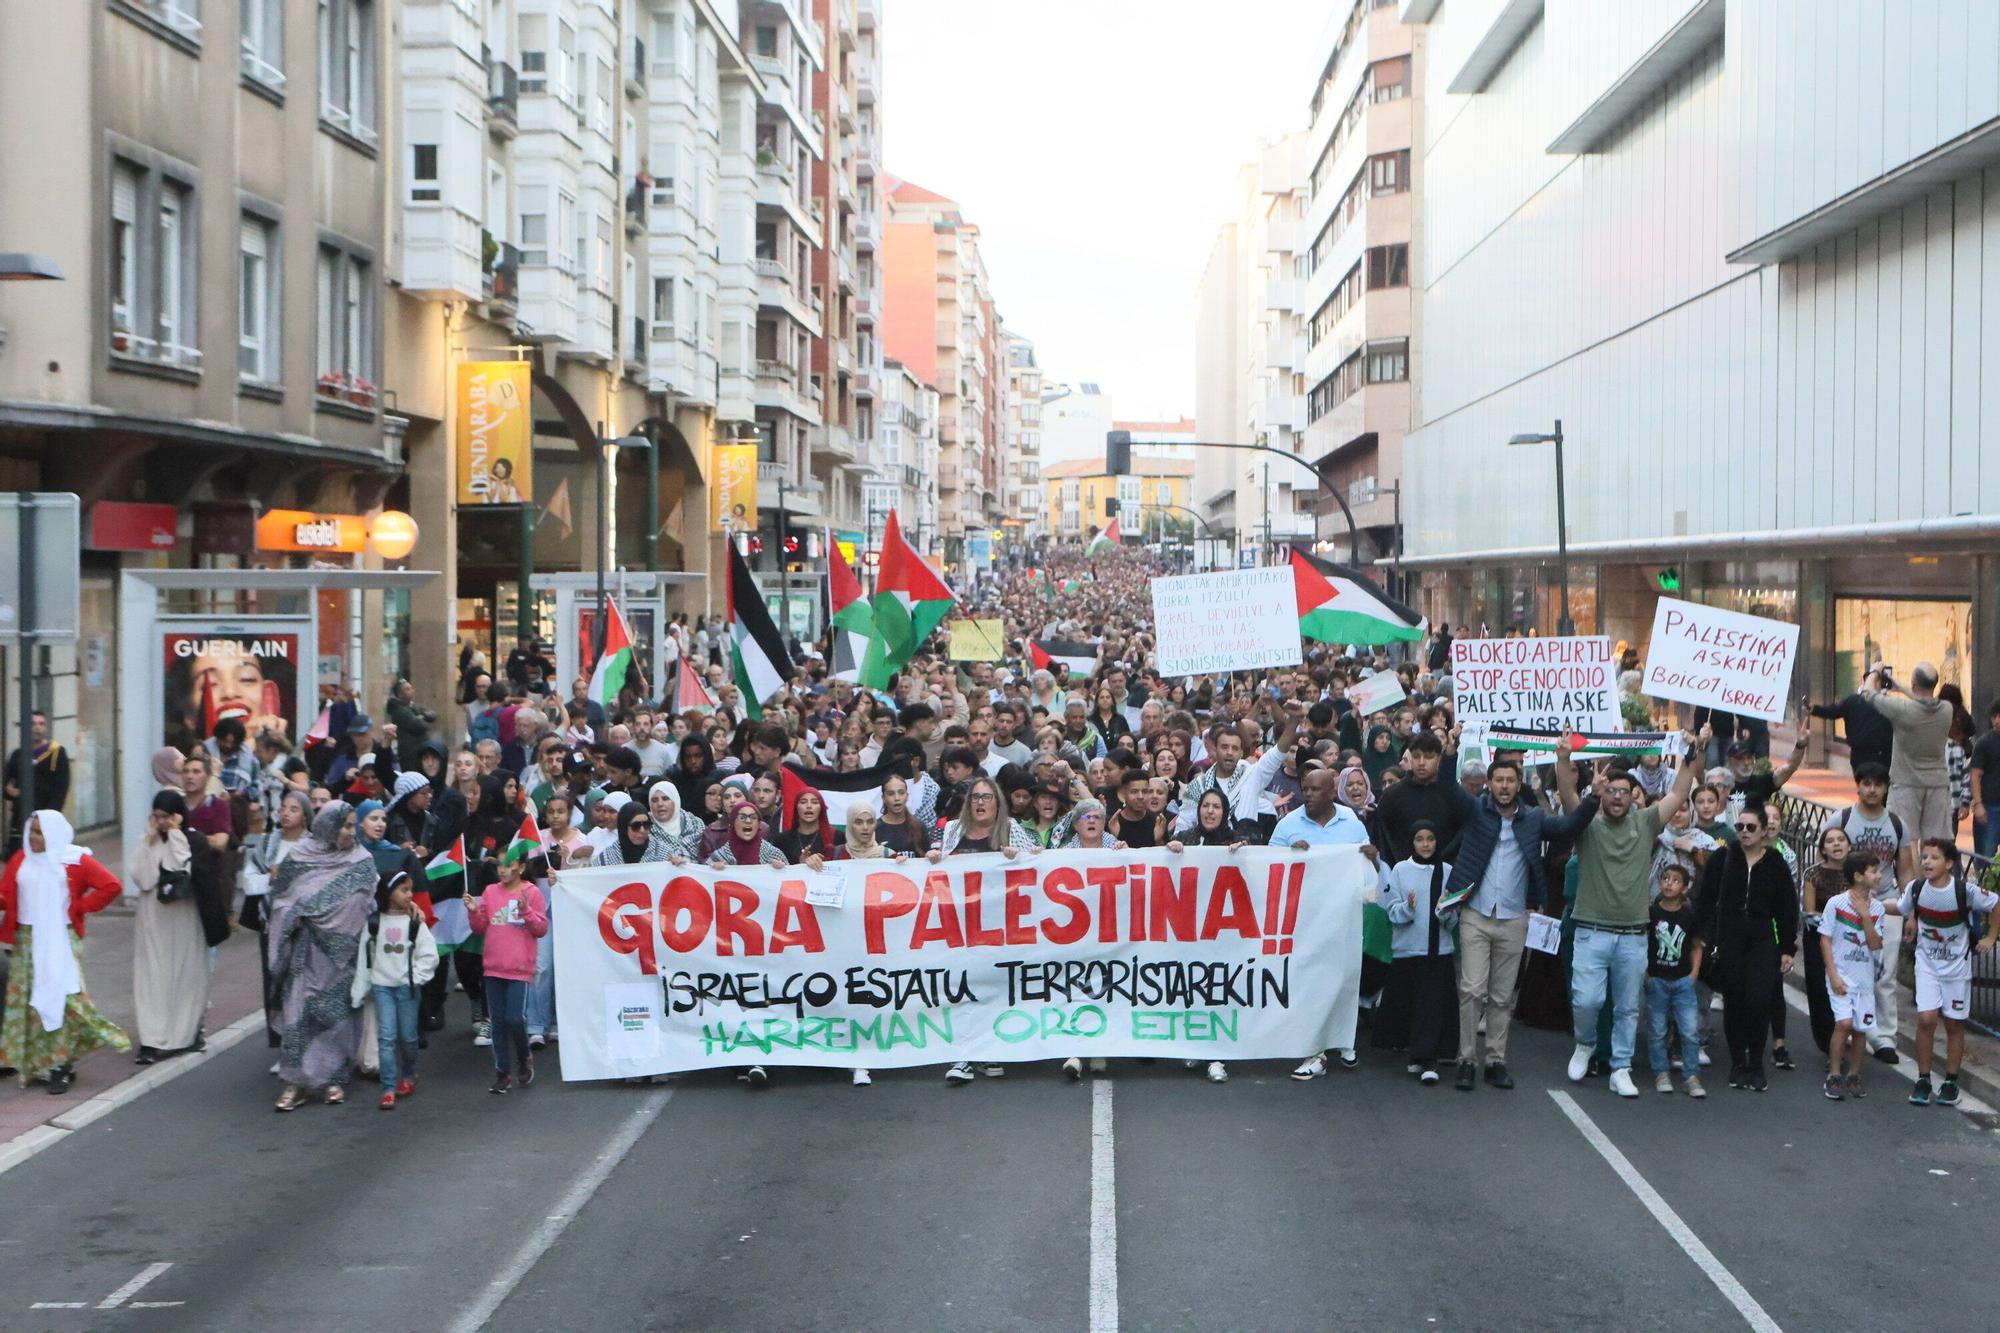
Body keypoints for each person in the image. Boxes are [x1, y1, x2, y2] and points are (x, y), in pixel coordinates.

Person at [1553, 730, 1703, 1098]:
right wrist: (1563, 758)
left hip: (1633, 935)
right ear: (1602, 794)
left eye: (1624, 791)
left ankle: (1620, 1067)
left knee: (1627, 1008)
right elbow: (1568, 795)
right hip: (1591, 931)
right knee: (1586, 1000)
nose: (1617, 796)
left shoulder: (1646, 822)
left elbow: (1678, 793)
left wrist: (1694, 752)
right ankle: (1585, 1044)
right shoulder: (1587, 824)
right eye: (1611, 791)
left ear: (1634, 796)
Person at [1444, 751, 1598, 1092]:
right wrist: (1450, 752)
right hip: (1476, 915)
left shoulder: (1533, 818)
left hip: (1514, 918)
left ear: (1519, 785)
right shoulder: (1475, 811)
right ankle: (1467, 1059)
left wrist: (1594, 798)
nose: (1504, 786)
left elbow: (1569, 826)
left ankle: (1495, 1061)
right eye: (1498, 780)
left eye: (1510, 781)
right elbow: (1449, 790)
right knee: (1472, 990)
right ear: (1489, 783)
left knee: (1501, 997)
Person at [0, 811, 129, 1092]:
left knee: (62, 998)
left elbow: (111, 885)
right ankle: (39, 1064)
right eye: (32, 830)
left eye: (40, 832)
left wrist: (80, 907)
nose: (33, 837)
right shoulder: (21, 859)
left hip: (60, 938)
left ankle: (61, 1065)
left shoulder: (73, 860)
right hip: (26, 940)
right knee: (30, 1001)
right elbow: (6, 896)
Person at [266, 802, 377, 1111]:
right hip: (306, 954)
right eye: (346, 825)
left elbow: (368, 903)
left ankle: (334, 1079)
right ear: (329, 826)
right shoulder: (300, 857)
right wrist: (296, 913)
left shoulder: (361, 860)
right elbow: (280, 901)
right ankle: (296, 1083)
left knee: (336, 1016)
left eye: (353, 825)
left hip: (344, 958)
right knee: (297, 1015)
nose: (351, 832)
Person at [1697, 802, 1798, 1093]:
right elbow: (1706, 899)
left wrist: (1787, 947)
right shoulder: (1723, 857)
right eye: (1739, 826)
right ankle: (1737, 1063)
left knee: (1759, 998)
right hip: (1729, 937)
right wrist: (1701, 936)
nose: (1744, 832)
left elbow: (1787, 907)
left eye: (1751, 827)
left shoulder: (1775, 863)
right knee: (1735, 1000)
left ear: (1764, 830)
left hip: (1762, 938)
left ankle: (1756, 1061)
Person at [1897, 838, 2000, 1108]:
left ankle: (1951, 1082)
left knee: (1954, 1024)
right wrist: (1866, 904)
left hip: (1956, 971)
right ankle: (1923, 1079)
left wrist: (1991, 937)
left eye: (1934, 858)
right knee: (1926, 1019)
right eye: (1924, 857)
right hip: (1927, 966)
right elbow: (1901, 907)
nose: (1927, 862)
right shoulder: (1916, 888)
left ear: (1949, 863)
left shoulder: (1965, 891)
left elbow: (1995, 903)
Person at [1831, 762, 1912, 1062]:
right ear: (1858, 786)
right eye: (1866, 783)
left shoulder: (1897, 824)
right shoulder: (1841, 819)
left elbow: (1905, 870)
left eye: (1878, 784)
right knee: (1849, 970)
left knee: (1885, 973)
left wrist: (1911, 911)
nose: (1872, 789)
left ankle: (1884, 1036)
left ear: (1886, 788)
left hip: (1887, 905)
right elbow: (1827, 858)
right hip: (1849, 904)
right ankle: (1848, 1025)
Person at [129, 790, 207, 1065]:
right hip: (153, 916)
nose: (161, 822)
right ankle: (151, 1039)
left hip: (183, 917)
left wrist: (174, 833)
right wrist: (149, 841)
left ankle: (183, 1034)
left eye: (166, 817)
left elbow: (180, 867)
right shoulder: (147, 841)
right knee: (152, 976)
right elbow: (143, 878)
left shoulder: (191, 839)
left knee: (183, 975)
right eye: (157, 817)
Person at [1377, 822, 1458, 1084]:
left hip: (1438, 951)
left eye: (1431, 839)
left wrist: (1444, 912)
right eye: (1420, 839)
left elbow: (1453, 918)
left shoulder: (1447, 871)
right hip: (1408, 951)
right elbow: (1392, 912)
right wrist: (1408, 908)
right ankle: (1415, 1054)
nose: (1425, 844)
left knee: (1432, 1006)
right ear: (1411, 842)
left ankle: (1429, 1059)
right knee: (1410, 1005)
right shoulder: (1400, 870)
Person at [351, 870, 438, 1110]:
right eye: (403, 890)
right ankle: (388, 1087)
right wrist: (360, 989)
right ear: (388, 893)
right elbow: (364, 958)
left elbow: (429, 954)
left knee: (408, 1038)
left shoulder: (414, 922)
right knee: (386, 1038)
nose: (410, 895)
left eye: (410, 890)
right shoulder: (374, 923)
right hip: (382, 988)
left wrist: (415, 977)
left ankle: (408, 1074)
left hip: (407, 989)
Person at [466, 845, 550, 1094]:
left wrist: (526, 911)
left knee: (515, 1018)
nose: (502, 870)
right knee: (498, 1022)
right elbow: (480, 927)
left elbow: (541, 929)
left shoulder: (531, 892)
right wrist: (473, 912)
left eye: (508, 865)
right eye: (500, 865)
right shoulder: (490, 892)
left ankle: (524, 1057)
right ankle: (502, 1072)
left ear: (521, 867)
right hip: (493, 966)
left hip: (519, 967)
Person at [1862, 662, 1954, 840]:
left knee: (1904, 839)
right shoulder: (1946, 709)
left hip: (1906, 784)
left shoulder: (1902, 710)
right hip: (1937, 784)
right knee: (1936, 842)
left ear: (1914, 683)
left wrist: (1874, 672)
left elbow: (1867, 694)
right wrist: (1902, 688)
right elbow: (1925, 702)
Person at [1819, 851, 1885, 1102]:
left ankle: (1854, 1075)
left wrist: (1865, 915)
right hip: (1841, 976)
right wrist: (1833, 975)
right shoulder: (1835, 904)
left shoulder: (1878, 908)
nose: (1879, 876)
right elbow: (1825, 940)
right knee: (1844, 1024)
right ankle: (1834, 1074)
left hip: (1864, 980)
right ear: (1858, 876)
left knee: (1860, 1029)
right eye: (1874, 871)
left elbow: (1875, 943)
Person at [1644, 864, 1706, 1098]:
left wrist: (1693, 974)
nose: (1669, 883)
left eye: (1676, 880)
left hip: (1682, 981)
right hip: (1657, 979)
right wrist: (1647, 974)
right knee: (1657, 1030)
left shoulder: (1689, 916)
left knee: (1690, 1030)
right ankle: (1661, 1072)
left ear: (1685, 888)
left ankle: (1691, 1076)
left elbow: (1696, 946)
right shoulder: (1651, 914)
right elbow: (1643, 943)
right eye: (1665, 878)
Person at [1799, 824, 1853, 1058]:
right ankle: (1827, 1042)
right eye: (1830, 841)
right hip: (1818, 936)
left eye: (1841, 839)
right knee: (1819, 990)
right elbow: (1810, 912)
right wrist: (1835, 918)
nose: (1836, 844)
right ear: (1823, 849)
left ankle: (1845, 1035)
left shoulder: (1857, 873)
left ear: (1849, 845)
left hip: (1849, 938)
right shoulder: (1813, 874)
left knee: (1846, 987)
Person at [4, 711, 72, 851]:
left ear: (46, 727)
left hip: (45, 821)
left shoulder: (57, 754)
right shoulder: (17, 755)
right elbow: (7, 787)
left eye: (41, 724)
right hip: (20, 820)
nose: (37, 728)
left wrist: (49, 818)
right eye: (33, 724)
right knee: (17, 859)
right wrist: (12, 792)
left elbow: (61, 790)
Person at [1971, 698, 2000, 859]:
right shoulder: (1984, 743)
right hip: (1989, 806)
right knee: (1985, 856)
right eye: (1994, 716)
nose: (1997, 721)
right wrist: (1978, 804)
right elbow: (1975, 775)